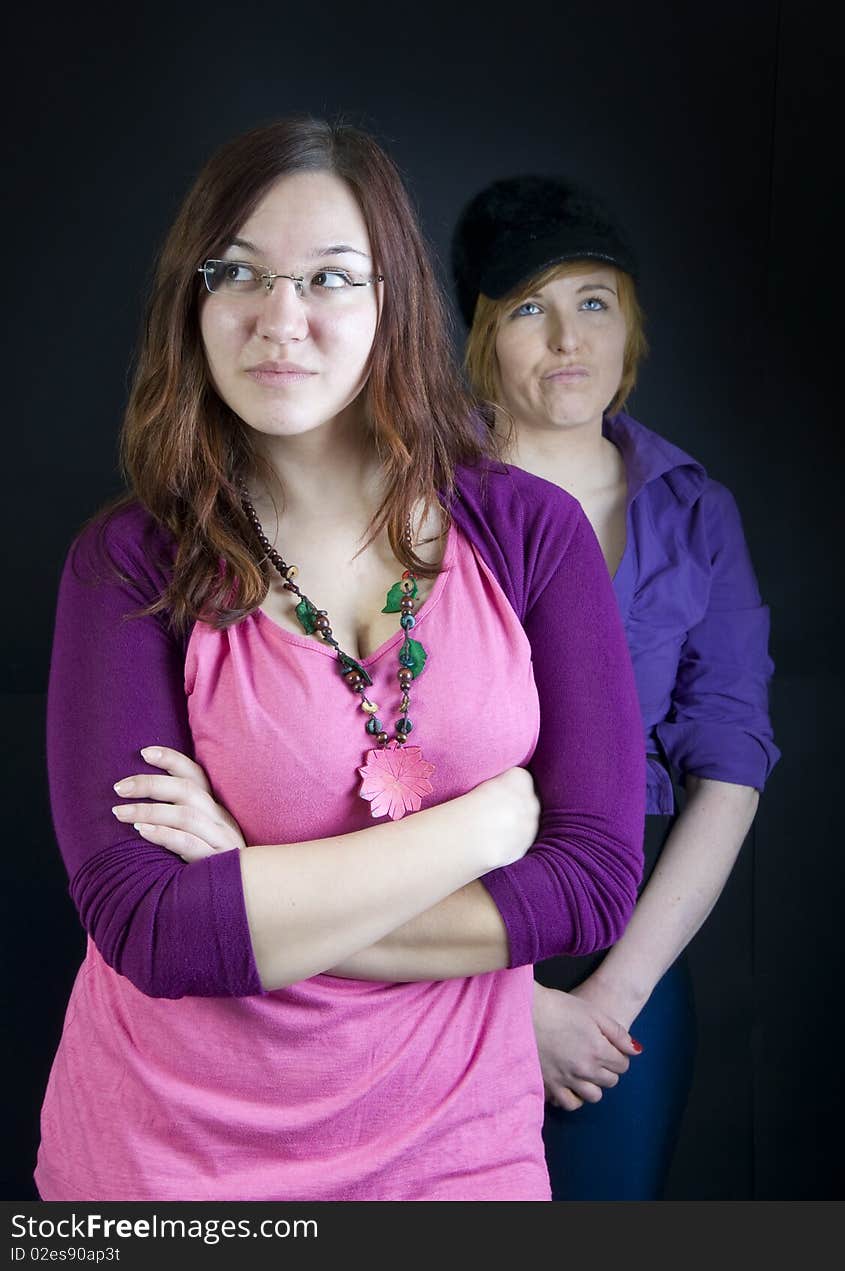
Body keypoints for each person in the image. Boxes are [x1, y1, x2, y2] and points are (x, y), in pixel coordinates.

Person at [35, 122, 646, 1202]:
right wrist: (482, 828)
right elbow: (153, 929)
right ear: (193, 298)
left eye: (328, 277)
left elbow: (591, 886)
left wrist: (251, 889)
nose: (282, 320)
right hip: (165, 1159)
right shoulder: (126, 563)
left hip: (459, 1144)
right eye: (238, 273)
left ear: (392, 299)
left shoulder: (528, 531)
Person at [450, 175, 780, 1201]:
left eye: (592, 301)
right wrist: (509, 1005)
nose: (565, 338)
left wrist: (610, 995)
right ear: (480, 336)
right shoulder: (420, 496)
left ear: (628, 323)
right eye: (528, 309)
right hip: (440, 925)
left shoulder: (695, 508)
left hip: (622, 947)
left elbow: (730, 755)